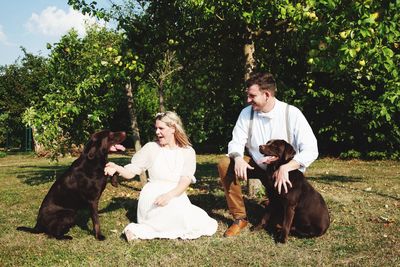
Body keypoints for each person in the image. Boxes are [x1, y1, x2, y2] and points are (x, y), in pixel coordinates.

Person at [217, 72, 318, 237]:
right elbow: (236, 142)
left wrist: (287, 167)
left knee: (283, 211)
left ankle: (279, 210)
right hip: (257, 164)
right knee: (225, 163)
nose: (248, 100)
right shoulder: (246, 113)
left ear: (267, 95)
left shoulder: (291, 113)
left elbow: (311, 149)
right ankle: (240, 218)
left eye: (252, 96)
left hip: (284, 171)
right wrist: (238, 158)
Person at [104, 111, 218, 241]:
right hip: (153, 195)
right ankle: (138, 229)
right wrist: (117, 168)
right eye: (156, 128)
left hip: (175, 194)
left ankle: (139, 231)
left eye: (161, 128)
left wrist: (169, 195)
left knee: (192, 221)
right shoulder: (151, 148)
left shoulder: (188, 151)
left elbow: (185, 180)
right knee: (171, 218)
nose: (157, 132)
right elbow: (132, 171)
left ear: (173, 129)